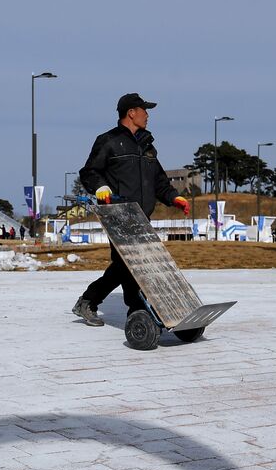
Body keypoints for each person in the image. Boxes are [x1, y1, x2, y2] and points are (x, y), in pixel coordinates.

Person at [71, 92, 190, 327]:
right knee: (130, 263)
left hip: (141, 216)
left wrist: (174, 197)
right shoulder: (109, 141)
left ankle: (90, 301)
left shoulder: (147, 145)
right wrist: (100, 188)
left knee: (129, 264)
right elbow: (89, 172)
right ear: (131, 113)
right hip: (117, 214)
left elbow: (159, 181)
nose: (147, 115)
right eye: (144, 110)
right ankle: (137, 311)